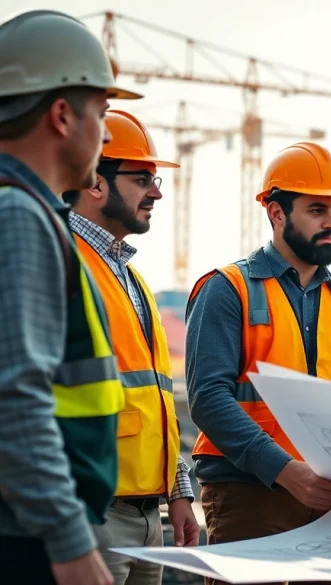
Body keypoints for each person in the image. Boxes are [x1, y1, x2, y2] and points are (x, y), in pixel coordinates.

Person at [185, 142, 331, 585]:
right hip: (250, 496)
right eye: (316, 210)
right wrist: (285, 471)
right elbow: (208, 399)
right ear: (276, 213)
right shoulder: (226, 289)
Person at [0, 9, 143, 585]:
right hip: (29, 542)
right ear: (62, 115)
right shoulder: (19, 215)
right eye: (103, 112)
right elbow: (15, 398)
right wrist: (71, 543)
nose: (107, 133)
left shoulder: (28, 212)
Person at [62, 109, 201, 584]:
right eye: (143, 178)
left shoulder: (134, 280)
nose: (157, 192)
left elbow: (154, 396)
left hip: (147, 519)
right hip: (93, 513)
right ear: (96, 183)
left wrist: (177, 489)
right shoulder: (64, 259)